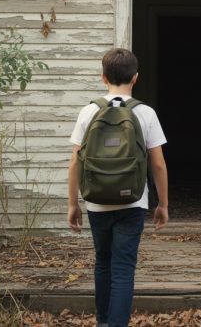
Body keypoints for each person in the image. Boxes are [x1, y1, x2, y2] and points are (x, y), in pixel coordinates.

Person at [67, 48, 169, 327]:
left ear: (103, 78)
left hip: (97, 201)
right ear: (135, 78)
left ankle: (102, 322)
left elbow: (75, 162)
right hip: (133, 202)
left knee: (103, 262)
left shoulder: (89, 111)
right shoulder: (145, 113)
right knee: (122, 268)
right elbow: (158, 164)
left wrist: (73, 204)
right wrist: (162, 205)